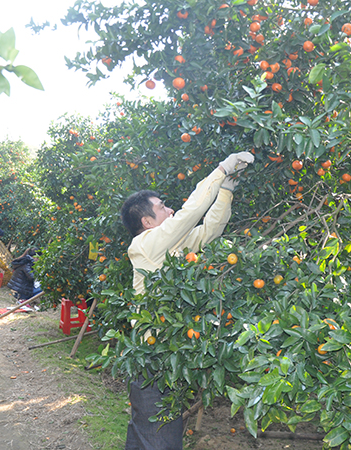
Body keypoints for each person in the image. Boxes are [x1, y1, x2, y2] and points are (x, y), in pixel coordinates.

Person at [120, 151, 254, 450]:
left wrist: (227, 190)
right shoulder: (145, 245)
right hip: (151, 355)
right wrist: (221, 169)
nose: (169, 210)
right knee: (161, 436)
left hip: (169, 354)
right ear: (147, 221)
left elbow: (209, 230)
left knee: (149, 432)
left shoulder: (174, 248)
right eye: (162, 207)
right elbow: (190, 214)